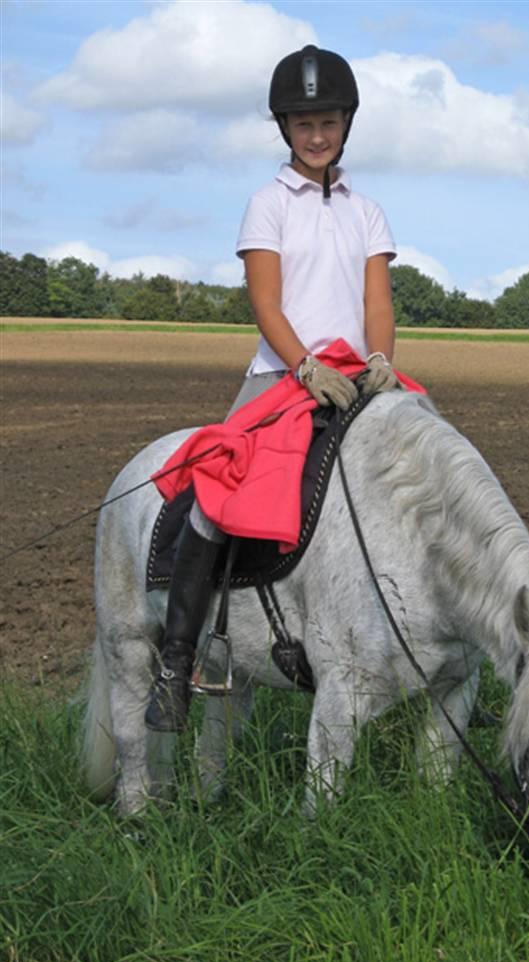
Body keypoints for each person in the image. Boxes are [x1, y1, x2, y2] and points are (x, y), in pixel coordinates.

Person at [145, 44, 399, 733]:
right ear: (284, 129)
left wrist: (379, 357)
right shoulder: (266, 204)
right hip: (279, 379)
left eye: (328, 123)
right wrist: (303, 366)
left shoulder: (367, 210)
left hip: (354, 380)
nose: (316, 136)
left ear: (347, 123)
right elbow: (267, 304)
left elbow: (378, 300)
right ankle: (175, 662)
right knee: (215, 493)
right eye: (303, 124)